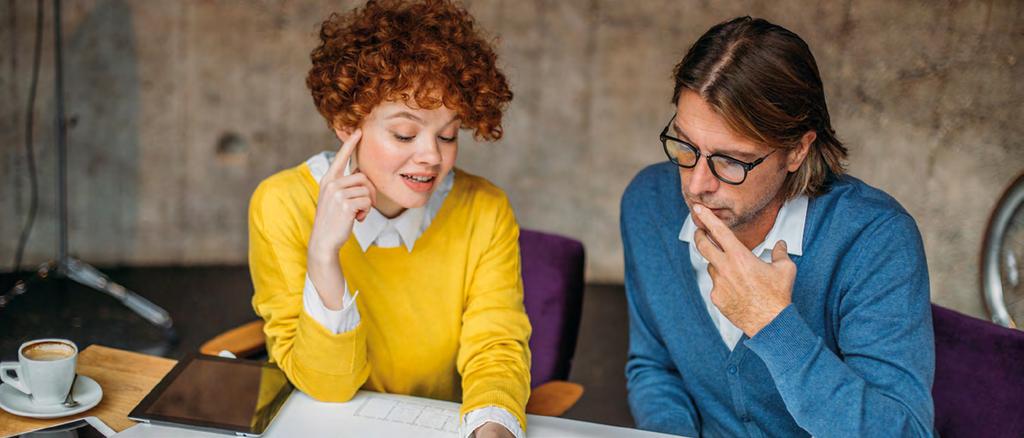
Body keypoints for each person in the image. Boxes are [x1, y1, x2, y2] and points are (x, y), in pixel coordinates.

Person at [621, 16, 935, 437]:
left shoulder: (874, 240)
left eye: (731, 160)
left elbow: (905, 432)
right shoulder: (649, 205)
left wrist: (771, 323)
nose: (696, 185)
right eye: (685, 146)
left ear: (796, 151)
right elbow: (655, 366)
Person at [247, 2, 529, 437]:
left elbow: (496, 347)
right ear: (346, 123)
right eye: (405, 133)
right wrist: (323, 256)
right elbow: (328, 386)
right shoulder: (281, 203)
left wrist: (493, 425)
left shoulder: (484, 209)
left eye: (448, 135)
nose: (432, 156)